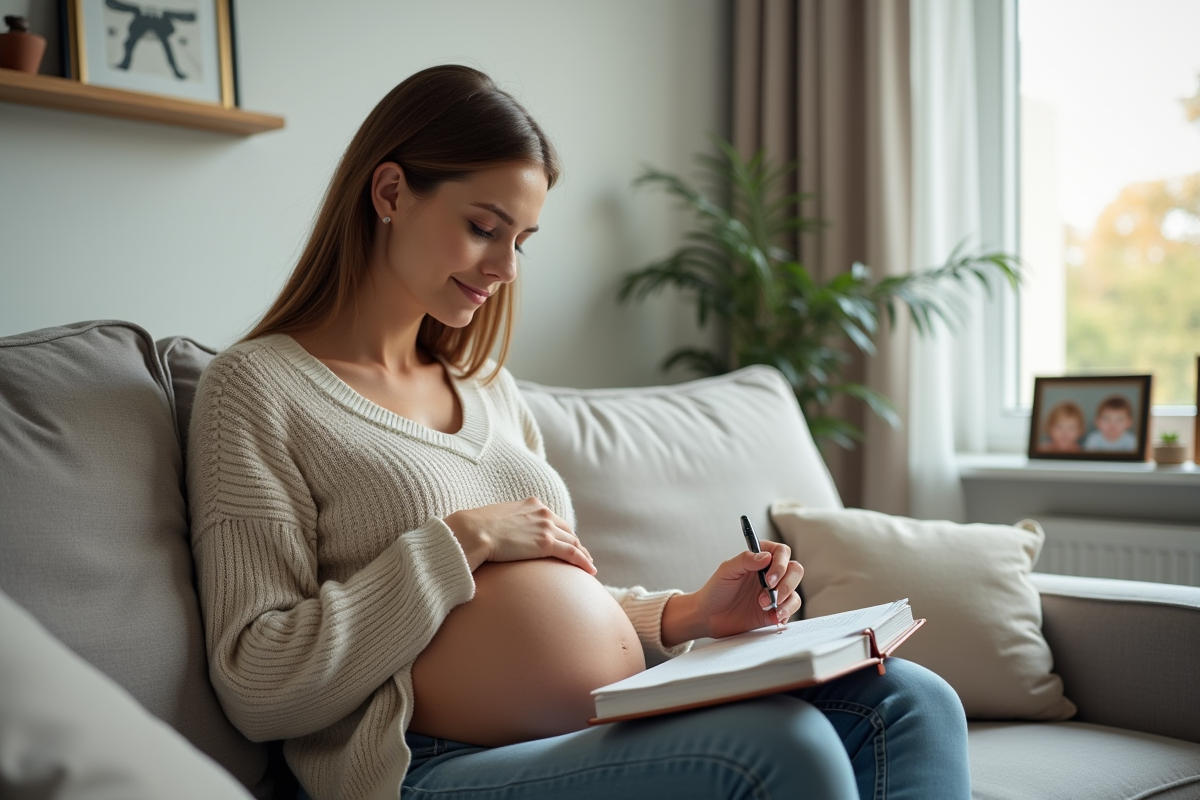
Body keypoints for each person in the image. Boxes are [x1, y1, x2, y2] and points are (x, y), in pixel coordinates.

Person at [186, 65, 970, 800]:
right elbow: (258, 682)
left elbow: (560, 600)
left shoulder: (490, 390)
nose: (506, 268)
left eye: (521, 240)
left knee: (911, 700)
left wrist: (690, 616)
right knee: (783, 744)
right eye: (484, 227)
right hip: (418, 763)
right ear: (390, 191)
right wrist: (460, 541)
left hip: (596, 719)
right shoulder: (257, 389)